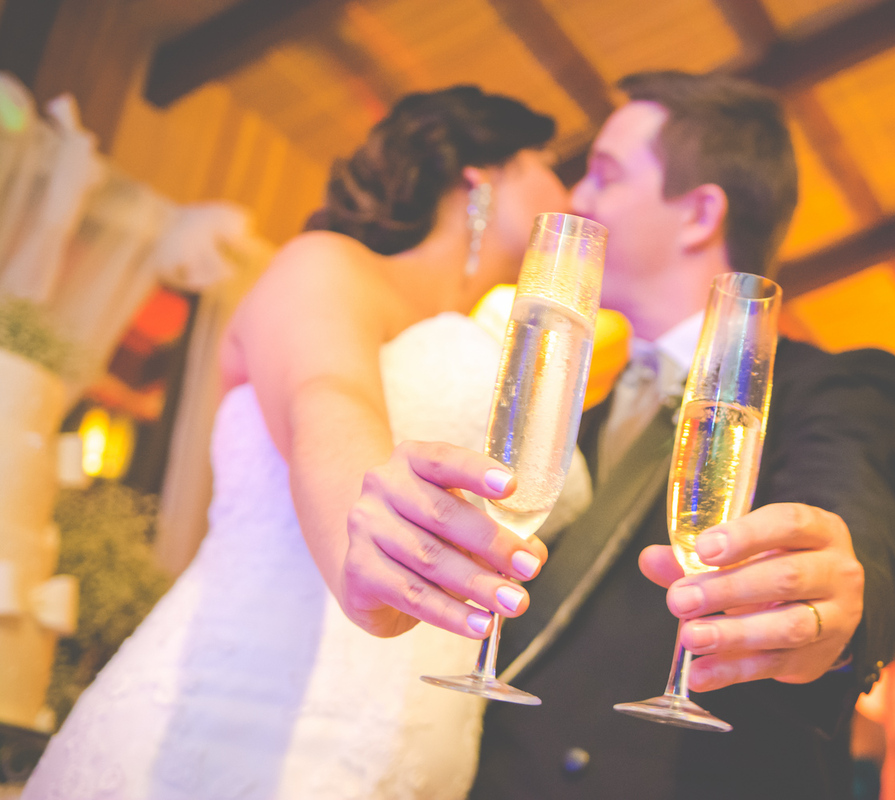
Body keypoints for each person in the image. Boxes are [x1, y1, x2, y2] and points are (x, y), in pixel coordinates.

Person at [22, 86, 574, 799]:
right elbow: (326, 397)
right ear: (482, 176)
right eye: (547, 163)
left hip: (418, 747)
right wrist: (363, 545)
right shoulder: (325, 264)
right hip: (236, 727)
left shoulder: (518, 353)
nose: (569, 191)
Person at [464, 70, 895, 799]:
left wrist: (843, 598)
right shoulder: (571, 400)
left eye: (605, 174)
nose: (577, 196)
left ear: (700, 214)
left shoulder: (831, 389)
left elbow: (862, 520)